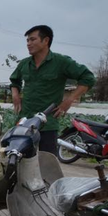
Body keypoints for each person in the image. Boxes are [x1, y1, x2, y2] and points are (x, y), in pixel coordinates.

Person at [10, 25, 96, 156]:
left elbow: (88, 78)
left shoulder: (61, 62)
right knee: (21, 162)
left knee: (48, 166)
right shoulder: (24, 64)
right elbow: (14, 80)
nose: (29, 43)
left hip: (48, 123)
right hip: (25, 121)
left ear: (46, 41)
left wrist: (69, 100)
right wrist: (15, 95)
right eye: (27, 40)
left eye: (32, 40)